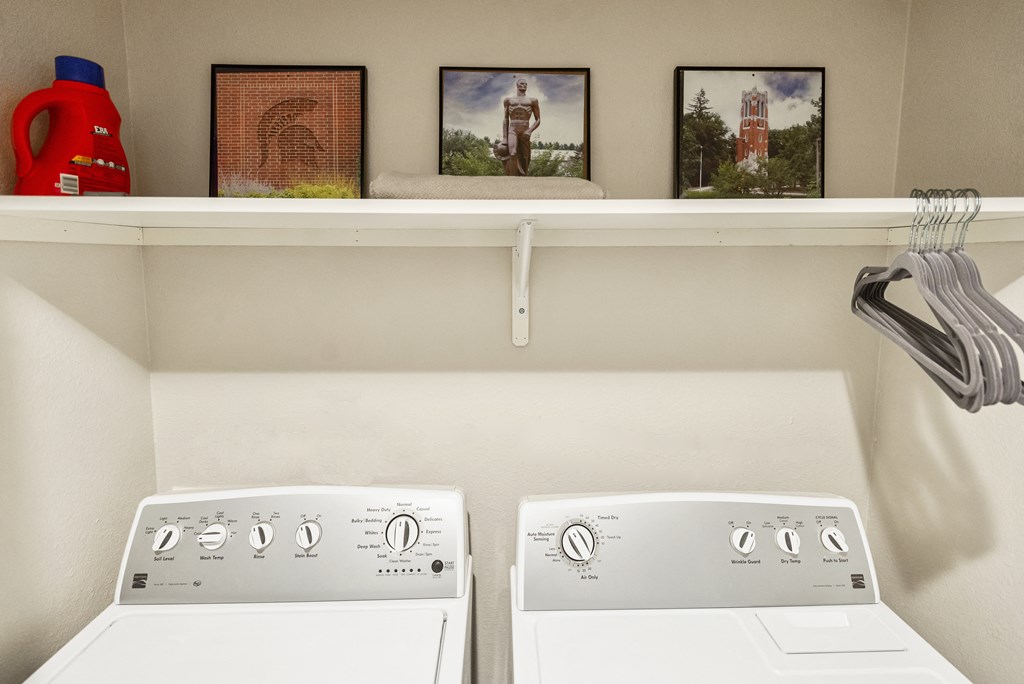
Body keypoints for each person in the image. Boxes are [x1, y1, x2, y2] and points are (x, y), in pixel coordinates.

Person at [498, 76, 541, 176]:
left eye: (526, 84)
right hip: (512, 129)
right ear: (517, 85)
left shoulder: (533, 100)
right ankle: (512, 179)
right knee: (512, 153)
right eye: (521, 83)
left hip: (525, 130)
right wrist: (504, 138)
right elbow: (505, 119)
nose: (524, 85)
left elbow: (538, 119)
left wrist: (530, 131)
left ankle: (523, 177)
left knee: (526, 157)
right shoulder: (508, 100)